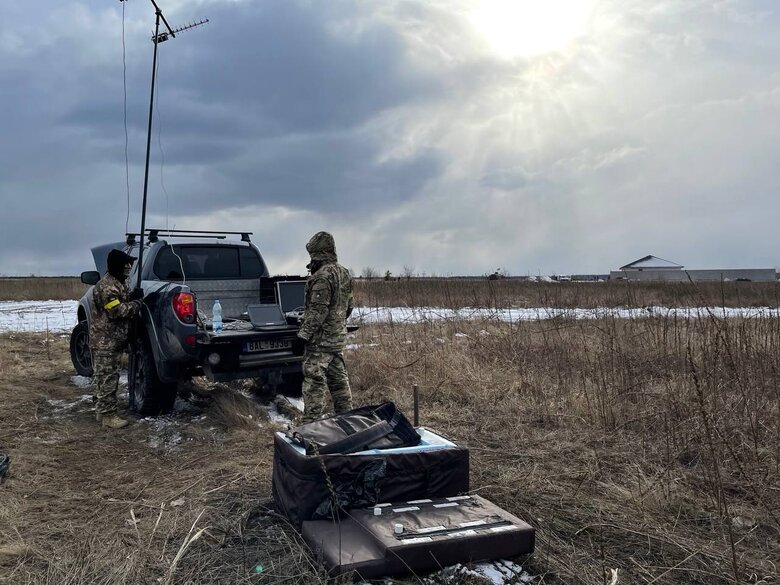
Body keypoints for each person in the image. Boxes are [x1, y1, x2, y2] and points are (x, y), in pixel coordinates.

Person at [297, 231, 354, 423]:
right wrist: (336, 324)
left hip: (320, 343)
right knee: (339, 384)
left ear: (317, 253)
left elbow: (317, 312)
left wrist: (303, 334)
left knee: (314, 383)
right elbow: (349, 306)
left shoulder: (322, 277)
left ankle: (310, 426)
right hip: (337, 340)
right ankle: (348, 422)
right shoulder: (344, 273)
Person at [90, 249, 142, 429]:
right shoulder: (107, 287)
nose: (129, 267)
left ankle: (101, 411)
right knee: (107, 378)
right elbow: (116, 311)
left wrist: (131, 297)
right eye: (125, 264)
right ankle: (107, 416)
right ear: (117, 266)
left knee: (104, 376)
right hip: (106, 341)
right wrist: (136, 305)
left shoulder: (118, 283)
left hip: (111, 339)